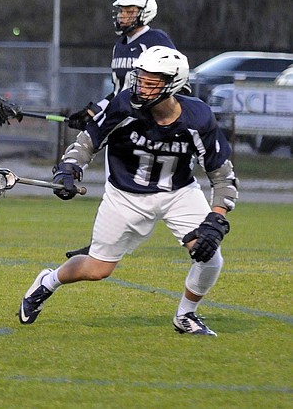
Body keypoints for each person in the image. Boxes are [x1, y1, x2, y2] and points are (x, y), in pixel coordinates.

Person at [18, 46, 238, 336]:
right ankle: (48, 281)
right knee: (98, 269)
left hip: (178, 192)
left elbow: (222, 177)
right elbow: (88, 141)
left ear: (172, 84)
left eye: (151, 82)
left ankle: (186, 315)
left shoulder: (198, 118)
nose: (141, 87)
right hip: (126, 196)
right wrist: (69, 168)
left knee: (210, 256)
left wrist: (216, 219)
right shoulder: (124, 106)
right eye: (140, 78)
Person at [64, 0, 177, 258]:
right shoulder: (120, 46)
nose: (123, 16)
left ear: (144, 12)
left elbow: (170, 79)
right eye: (121, 10)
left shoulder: (155, 40)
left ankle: (107, 244)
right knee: (114, 186)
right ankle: (101, 243)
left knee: (147, 190)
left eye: (130, 11)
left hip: (147, 123)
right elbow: (119, 92)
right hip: (123, 121)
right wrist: (94, 111)